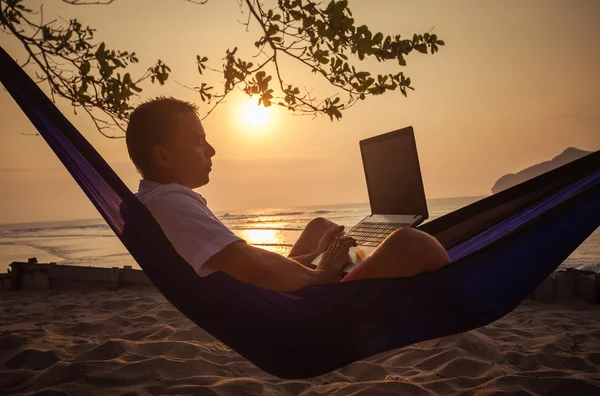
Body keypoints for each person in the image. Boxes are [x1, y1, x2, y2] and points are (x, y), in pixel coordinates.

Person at [128, 97, 450, 292]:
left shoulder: (155, 202)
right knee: (412, 242)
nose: (211, 150)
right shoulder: (170, 204)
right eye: (198, 141)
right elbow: (252, 266)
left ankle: (348, 258)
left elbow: (241, 263)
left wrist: (312, 259)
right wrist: (320, 275)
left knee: (320, 228)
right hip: (301, 313)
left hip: (276, 294)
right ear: (163, 156)